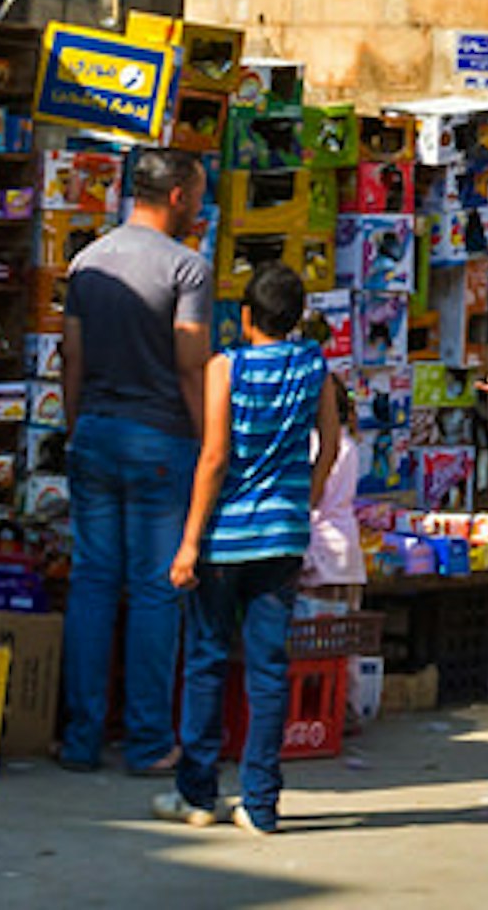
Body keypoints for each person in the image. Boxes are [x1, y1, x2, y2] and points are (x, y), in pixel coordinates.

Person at [153, 259, 347, 839]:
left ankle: (197, 793)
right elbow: (331, 445)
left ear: (244, 316)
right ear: (295, 318)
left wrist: (189, 543)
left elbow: (213, 458)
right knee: (268, 671)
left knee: (207, 663)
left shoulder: (225, 368)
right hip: (281, 539)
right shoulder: (317, 368)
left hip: (223, 540)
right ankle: (261, 804)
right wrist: (303, 504)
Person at [55, 141, 214, 780]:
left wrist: (78, 429)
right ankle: (148, 743)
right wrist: (211, 444)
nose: (201, 208)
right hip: (159, 440)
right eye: (199, 196)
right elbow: (189, 364)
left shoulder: (88, 262)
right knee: (154, 590)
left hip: (95, 431)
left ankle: (80, 738)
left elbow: (71, 358)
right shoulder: (187, 269)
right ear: (177, 196)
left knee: (93, 583)